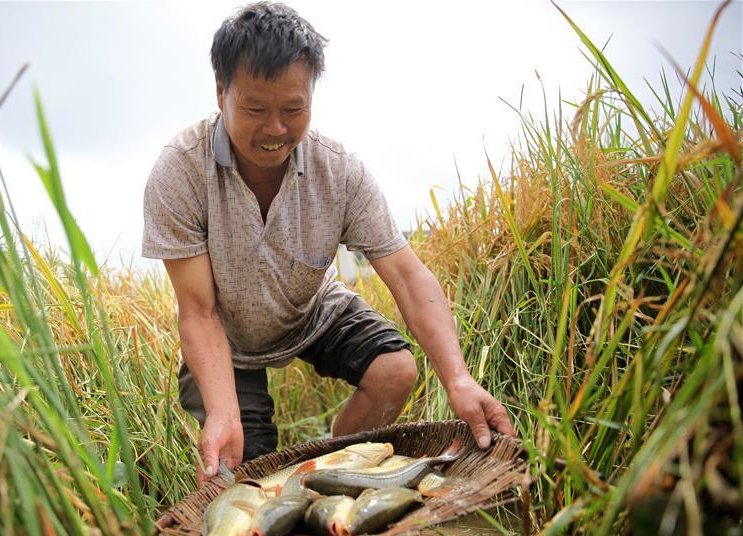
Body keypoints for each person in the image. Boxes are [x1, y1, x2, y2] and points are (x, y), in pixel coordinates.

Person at [143, 2, 514, 484]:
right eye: (256, 109)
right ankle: (263, 466)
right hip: (226, 338)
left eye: (293, 109)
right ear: (221, 93)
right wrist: (222, 413)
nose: (276, 130)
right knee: (248, 474)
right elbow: (198, 312)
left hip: (311, 309)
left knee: (395, 371)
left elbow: (406, 274)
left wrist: (458, 378)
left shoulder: (339, 171)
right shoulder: (179, 172)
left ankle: (325, 470)